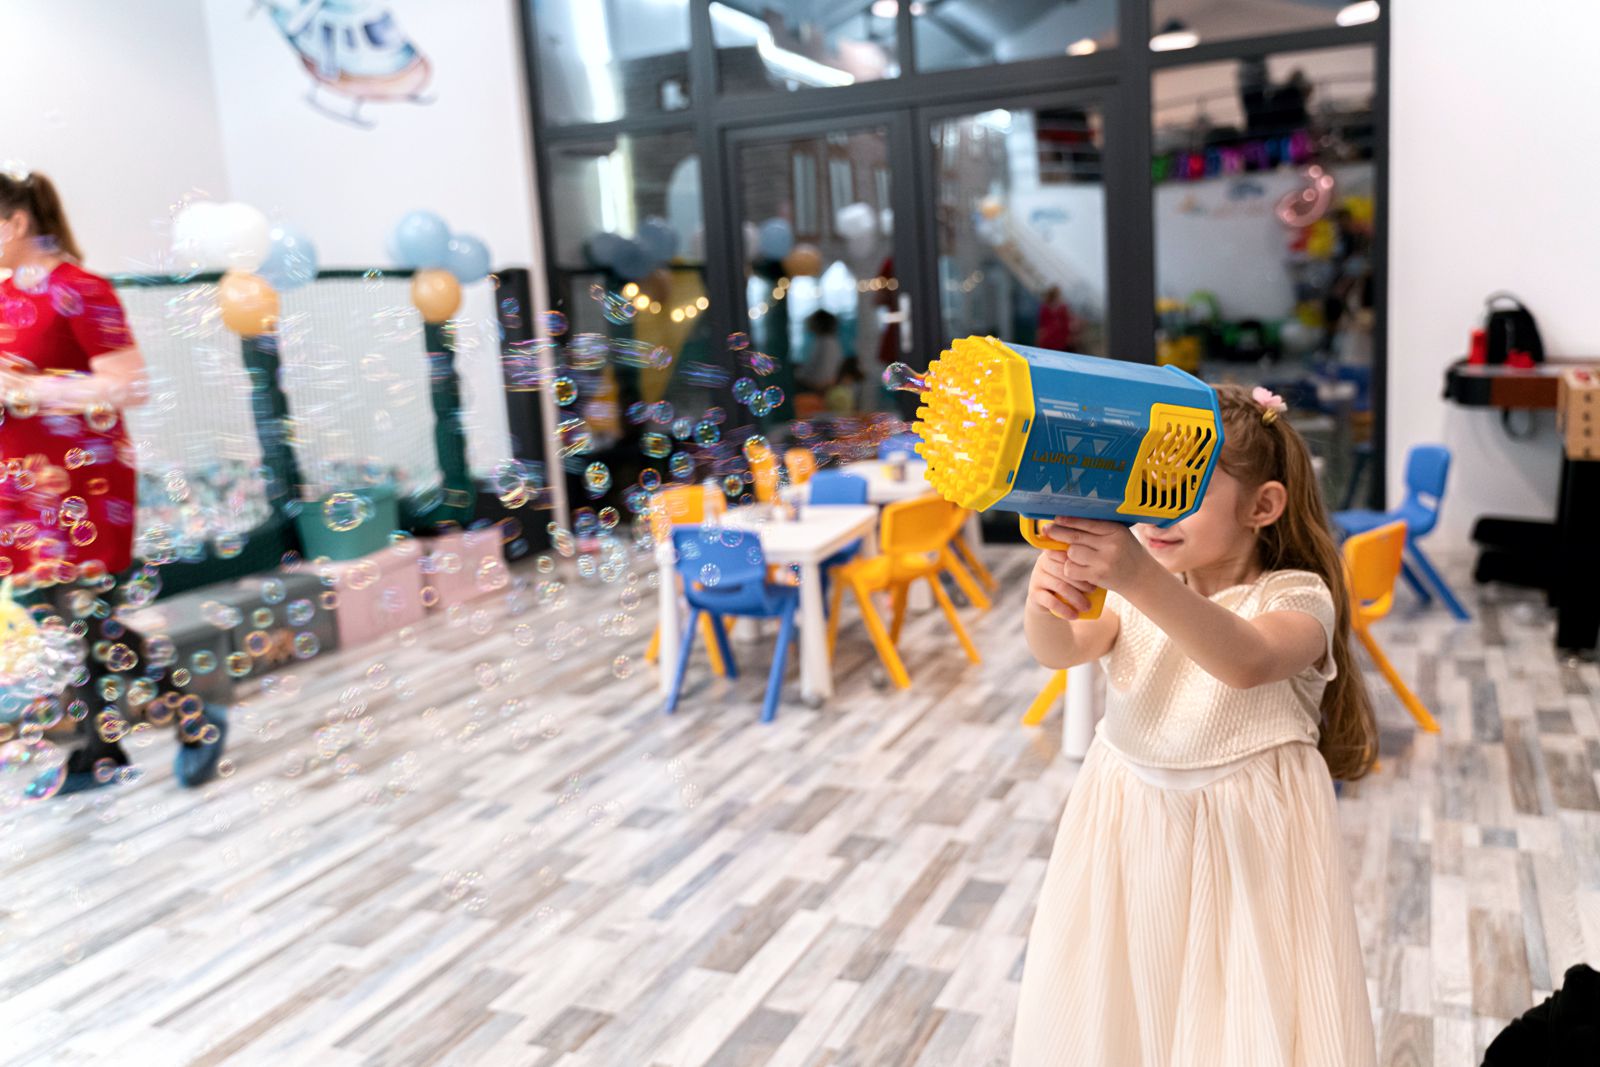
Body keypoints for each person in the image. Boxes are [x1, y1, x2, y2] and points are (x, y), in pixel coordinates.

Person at [1012, 383, 1377, 1066]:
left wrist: (1136, 577)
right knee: (1130, 1000)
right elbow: (1060, 650)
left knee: (1238, 1014)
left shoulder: (1297, 595)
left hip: (1248, 844)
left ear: (1263, 506)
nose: (1156, 507)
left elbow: (1247, 660)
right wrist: (1045, 601)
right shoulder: (1144, 589)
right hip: (1130, 821)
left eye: (1183, 487)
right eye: (1145, 483)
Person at [0, 167, 225, 792]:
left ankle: (189, 719)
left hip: (82, 481)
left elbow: (128, 385)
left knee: (85, 616)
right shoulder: (4, 296)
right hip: (21, 483)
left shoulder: (82, 289)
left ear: (15, 222)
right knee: (59, 616)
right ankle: (102, 748)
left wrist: (30, 391)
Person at [1035, 285, 1074, 351]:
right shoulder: (1045, 308)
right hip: (1049, 338)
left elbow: (1066, 324)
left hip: (1058, 339)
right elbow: (1042, 324)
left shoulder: (1062, 308)